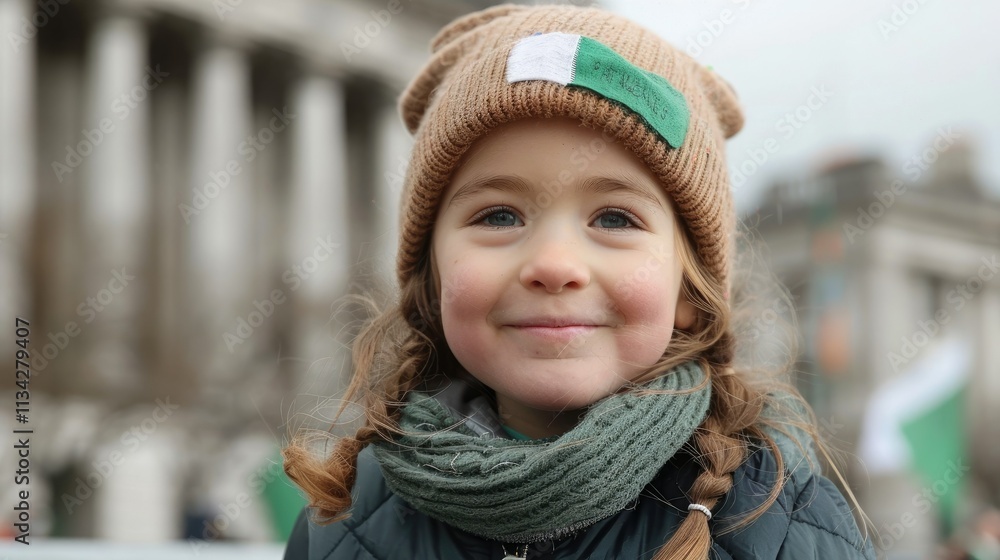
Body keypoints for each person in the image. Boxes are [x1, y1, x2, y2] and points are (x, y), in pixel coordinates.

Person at [281, 4, 876, 559]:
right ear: (432, 287)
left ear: (689, 296)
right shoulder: (340, 521)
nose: (555, 264)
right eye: (498, 216)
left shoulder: (781, 525)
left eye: (614, 218)